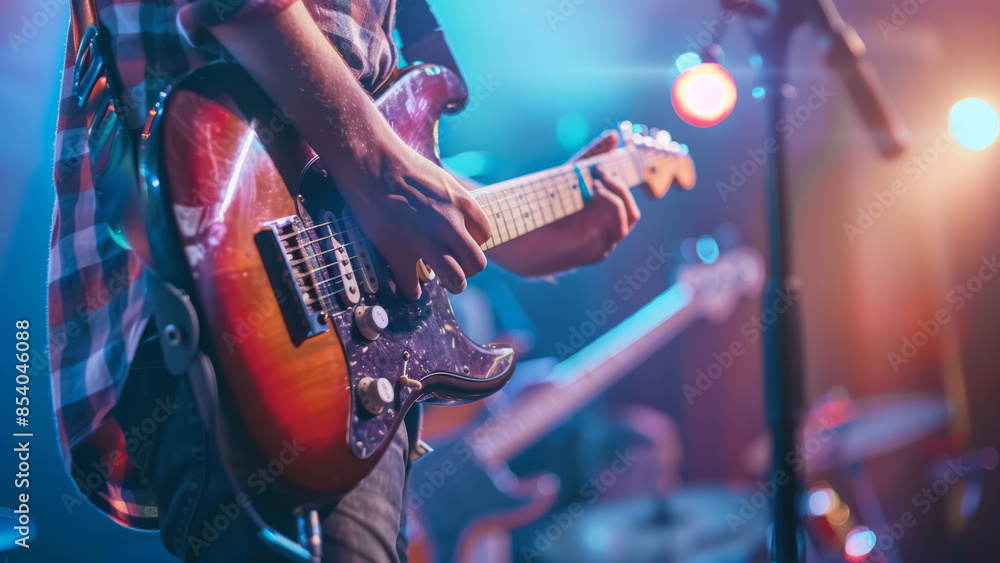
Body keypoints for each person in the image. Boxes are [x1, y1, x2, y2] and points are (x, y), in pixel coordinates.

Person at [49, 0, 641, 560]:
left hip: (341, 343)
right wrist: (378, 160)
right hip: (219, 287)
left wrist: (495, 228)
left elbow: (349, 158)